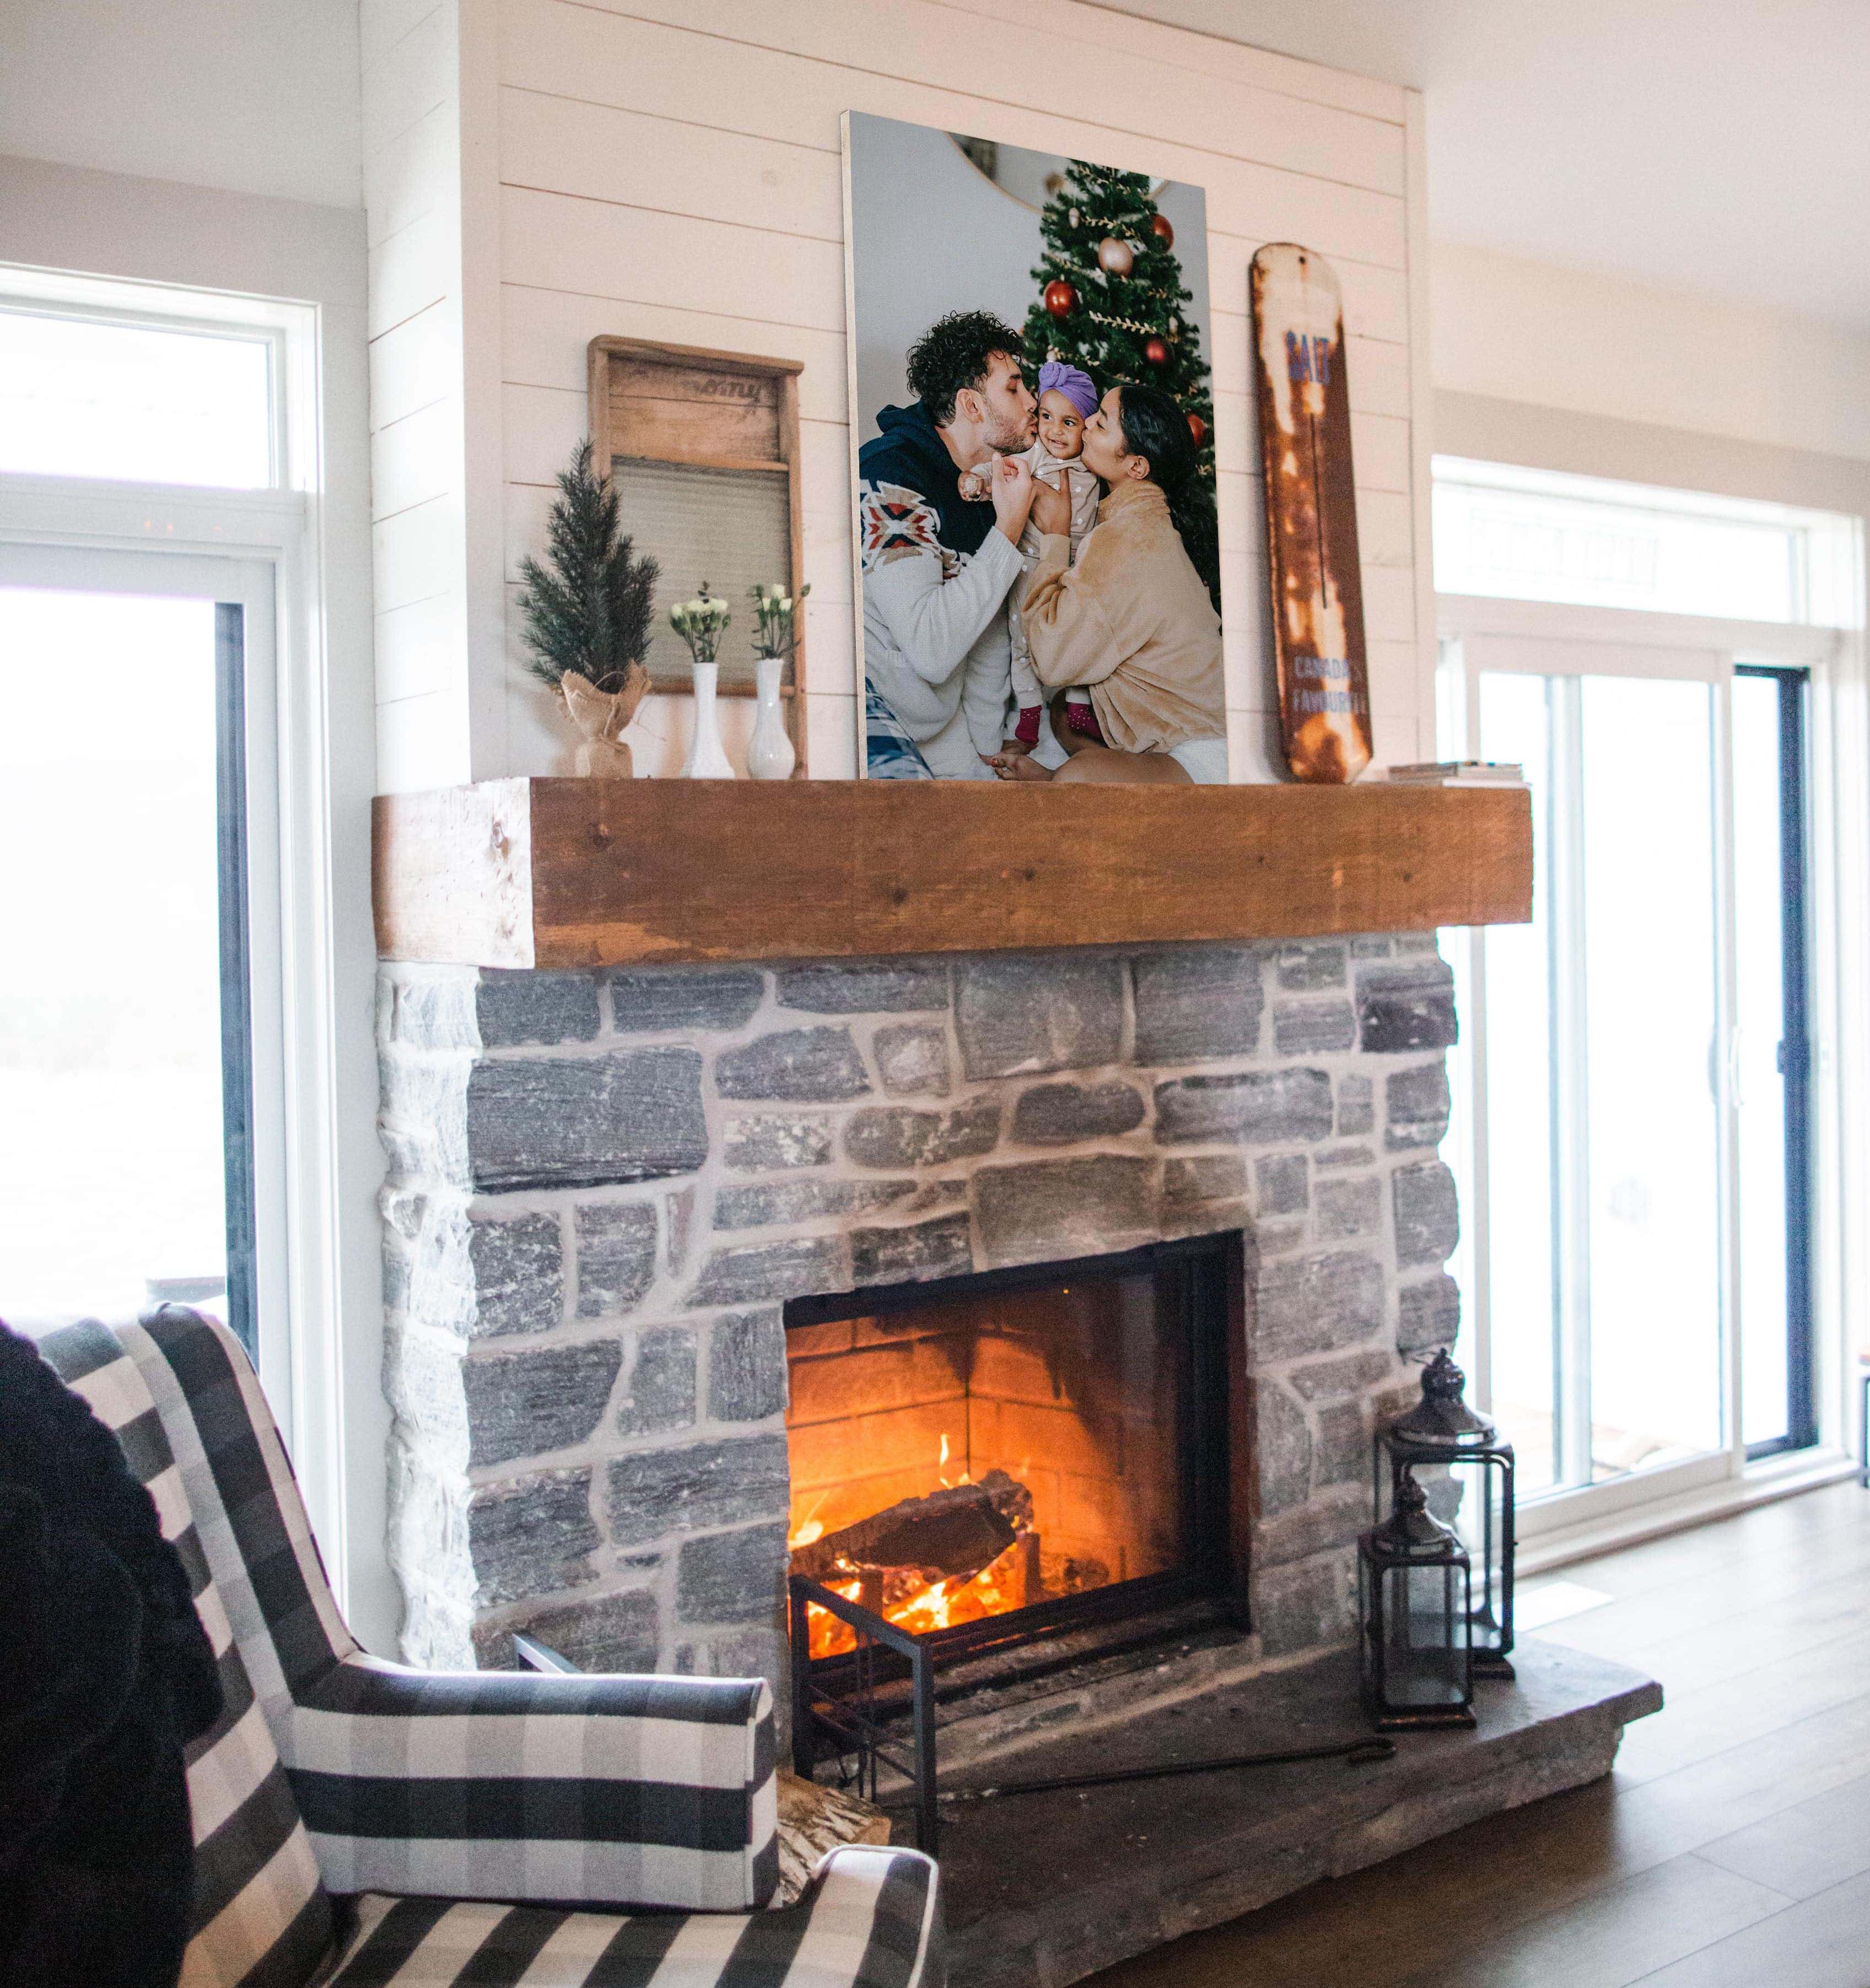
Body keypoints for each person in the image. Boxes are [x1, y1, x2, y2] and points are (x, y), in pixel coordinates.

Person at [989, 382, 1228, 786]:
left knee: (1078, 777)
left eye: (1100, 423)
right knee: (1066, 714)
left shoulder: (1132, 537)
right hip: (1167, 734)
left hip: (1204, 751)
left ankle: (1056, 780)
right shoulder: (1139, 519)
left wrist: (1056, 534)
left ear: (1135, 467)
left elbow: (1051, 656)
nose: (1083, 427)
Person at [857, 311, 1041, 780]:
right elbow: (931, 647)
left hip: (938, 721)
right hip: (869, 706)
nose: (1033, 402)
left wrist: (986, 756)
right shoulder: (891, 475)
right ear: (971, 405)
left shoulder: (987, 484)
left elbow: (986, 641)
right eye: (1014, 388)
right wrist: (1010, 527)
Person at [963, 359, 1104, 760]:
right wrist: (977, 479)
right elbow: (1001, 470)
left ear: (1087, 427)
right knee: (1022, 640)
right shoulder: (1035, 454)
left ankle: (1078, 705)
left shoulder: (1092, 464)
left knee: (1078, 635)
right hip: (1029, 563)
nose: (1053, 431)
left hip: (1077, 567)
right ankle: (1028, 712)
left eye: (1068, 423)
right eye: (1046, 417)